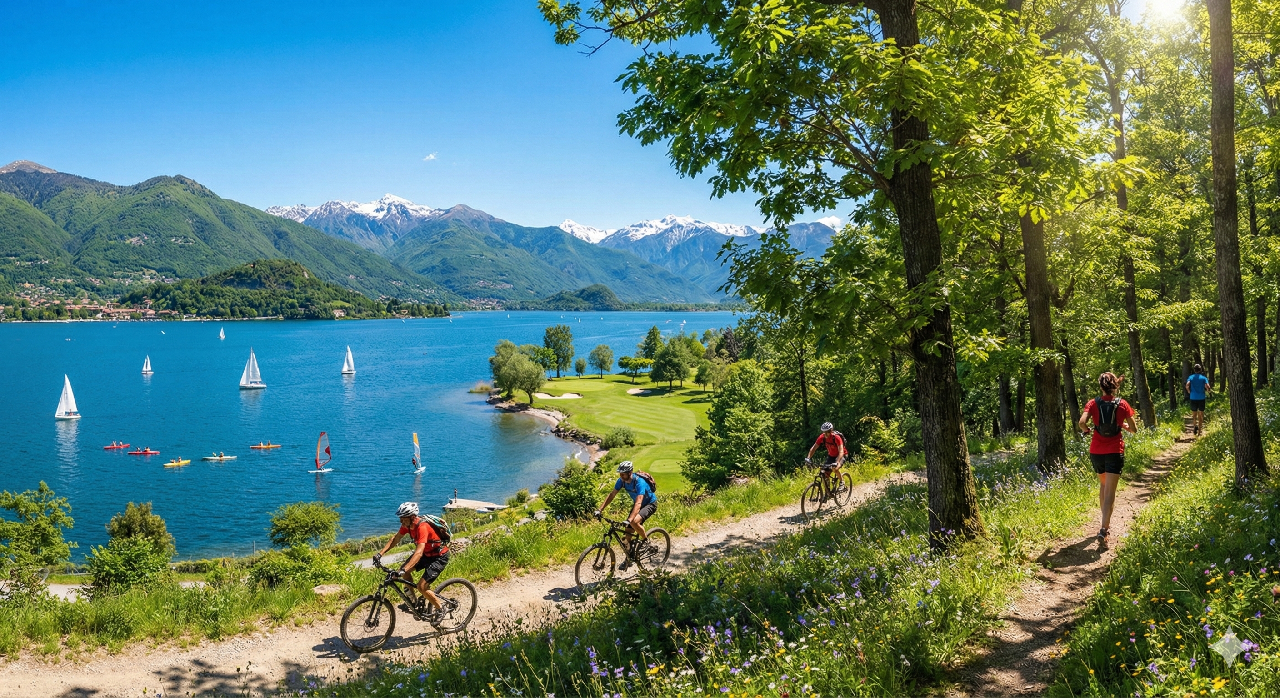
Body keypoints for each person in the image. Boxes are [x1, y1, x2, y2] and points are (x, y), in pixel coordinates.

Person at [1077, 372, 1138, 543]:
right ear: (1115, 386)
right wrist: (1125, 426)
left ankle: (1104, 523)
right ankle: (1104, 529)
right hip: (1114, 451)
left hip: (1096, 451)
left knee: (1103, 484)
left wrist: (1087, 431)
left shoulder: (1093, 403)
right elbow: (1134, 429)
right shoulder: (1123, 404)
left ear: (1101, 386)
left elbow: (1082, 422)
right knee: (1110, 490)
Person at [373, 502, 450, 615]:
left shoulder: (422, 527)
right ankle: (413, 602)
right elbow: (396, 539)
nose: (401, 521)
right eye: (400, 518)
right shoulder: (407, 526)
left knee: (422, 586)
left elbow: (419, 552)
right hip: (426, 554)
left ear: (412, 517)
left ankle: (441, 609)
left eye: (403, 519)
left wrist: (404, 569)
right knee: (404, 572)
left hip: (438, 557)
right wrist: (380, 554)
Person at [595, 461, 657, 570]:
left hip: (649, 504)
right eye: (620, 474)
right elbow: (612, 494)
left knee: (634, 522)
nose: (621, 476)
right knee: (627, 536)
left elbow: (638, 503)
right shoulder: (621, 481)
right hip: (638, 505)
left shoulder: (639, 482)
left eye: (623, 474)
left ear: (630, 472)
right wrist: (600, 509)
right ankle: (629, 558)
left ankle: (647, 542)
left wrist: (629, 519)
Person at [1185, 364, 1210, 436]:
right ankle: (1199, 431)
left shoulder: (1191, 377)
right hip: (1201, 397)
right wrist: (1208, 390)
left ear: (1194, 370)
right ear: (1200, 370)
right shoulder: (1203, 378)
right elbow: (1207, 386)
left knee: (1194, 414)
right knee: (1201, 413)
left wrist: (1189, 391)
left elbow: (1187, 385)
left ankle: (1194, 425)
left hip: (1193, 397)